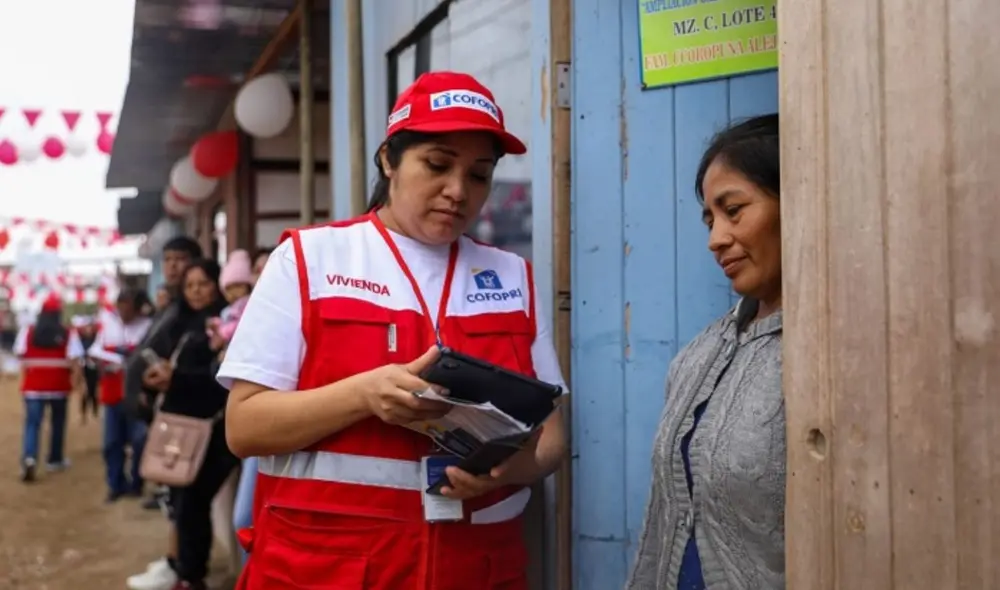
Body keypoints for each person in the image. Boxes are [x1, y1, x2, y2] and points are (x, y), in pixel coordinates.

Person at [219, 71, 568, 589]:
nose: (457, 191)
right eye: (437, 165)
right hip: (326, 571)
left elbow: (551, 438)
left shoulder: (512, 277)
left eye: (479, 175)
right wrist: (363, 395)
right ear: (389, 159)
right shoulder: (309, 260)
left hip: (475, 570)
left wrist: (502, 471)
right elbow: (244, 427)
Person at [626, 114, 783, 590]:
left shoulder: (837, 355)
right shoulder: (700, 355)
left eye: (734, 210)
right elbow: (664, 521)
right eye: (710, 220)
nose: (716, 239)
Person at [142, 259, 240, 590]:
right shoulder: (182, 323)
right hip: (184, 427)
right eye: (190, 286)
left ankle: (192, 574)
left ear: (217, 285)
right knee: (183, 502)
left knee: (193, 502)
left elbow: (221, 380)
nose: (196, 291)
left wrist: (177, 378)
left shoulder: (227, 324)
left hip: (214, 430)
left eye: (203, 284)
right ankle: (184, 571)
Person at [125, 236, 203, 590]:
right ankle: (174, 562)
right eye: (167, 259)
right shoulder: (171, 307)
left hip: (192, 417)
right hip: (165, 411)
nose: (172, 266)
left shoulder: (200, 315)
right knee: (173, 496)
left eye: (180, 259)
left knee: (185, 498)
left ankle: (182, 569)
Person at [89, 289, 154, 503]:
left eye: (128, 308)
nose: (123, 312)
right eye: (120, 307)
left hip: (138, 394)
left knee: (139, 440)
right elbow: (95, 351)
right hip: (112, 392)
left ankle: (136, 483)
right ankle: (115, 484)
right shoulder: (108, 325)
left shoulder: (148, 327)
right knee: (112, 442)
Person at [15, 293, 85, 482]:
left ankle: (30, 458)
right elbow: (75, 360)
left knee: (32, 423)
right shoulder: (68, 333)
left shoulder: (28, 331)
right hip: (58, 386)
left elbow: (19, 354)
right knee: (58, 422)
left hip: (33, 386)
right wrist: (77, 383)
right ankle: (55, 459)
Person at [206, 249, 252, 354]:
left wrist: (222, 333)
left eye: (238, 286)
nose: (233, 292)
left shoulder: (246, 305)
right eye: (229, 289)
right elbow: (225, 322)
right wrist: (215, 325)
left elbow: (238, 324)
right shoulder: (228, 309)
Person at [73, 315, 101, 423]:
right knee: (84, 391)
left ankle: (95, 412)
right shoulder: (80, 339)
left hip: (94, 367)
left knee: (93, 390)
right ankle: (83, 414)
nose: (89, 328)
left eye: (90, 326)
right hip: (83, 367)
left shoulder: (97, 338)